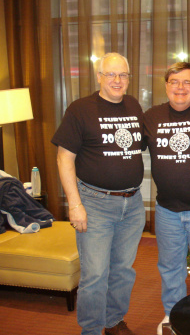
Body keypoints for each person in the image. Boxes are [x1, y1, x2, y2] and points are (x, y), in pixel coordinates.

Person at [52, 53, 145, 335]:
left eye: (123, 75)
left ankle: (113, 320)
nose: (117, 80)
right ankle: (91, 330)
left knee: (123, 271)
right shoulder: (80, 109)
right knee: (94, 275)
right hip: (94, 204)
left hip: (133, 204)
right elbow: (63, 159)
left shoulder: (133, 105)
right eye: (111, 75)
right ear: (99, 77)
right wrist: (75, 205)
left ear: (129, 78)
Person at [143, 62, 190, 335]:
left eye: (187, 82)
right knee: (170, 268)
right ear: (166, 86)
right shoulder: (151, 117)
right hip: (167, 211)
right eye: (174, 82)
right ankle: (173, 316)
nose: (180, 88)